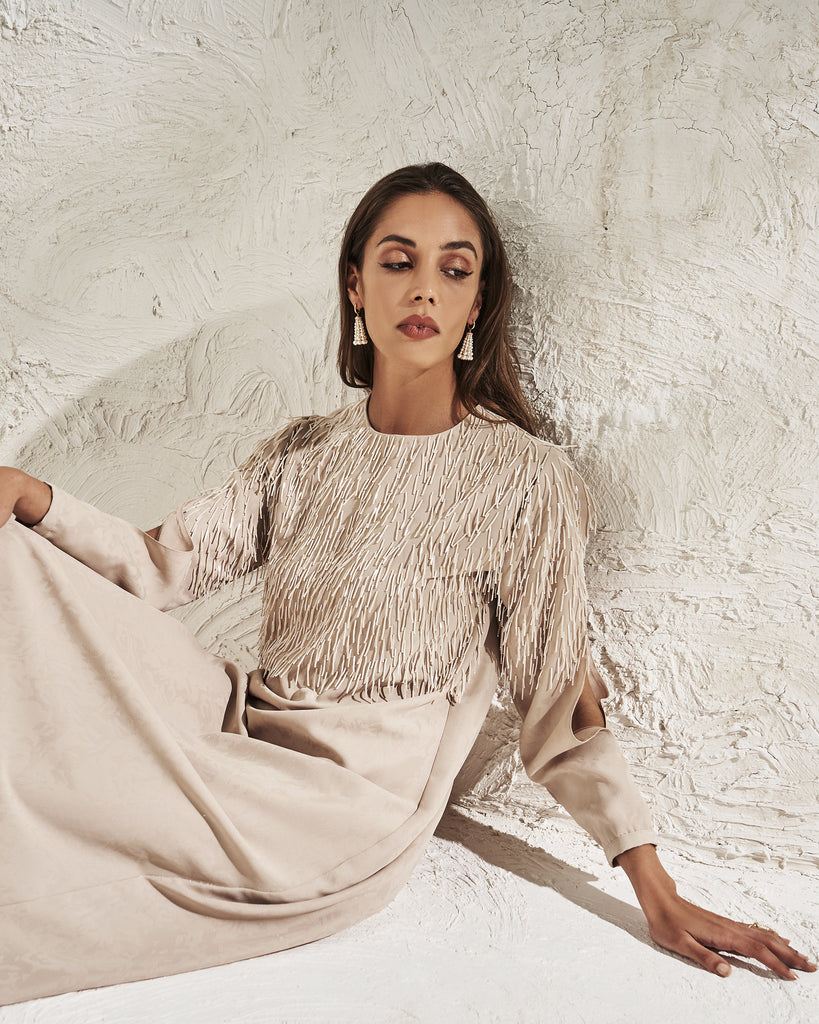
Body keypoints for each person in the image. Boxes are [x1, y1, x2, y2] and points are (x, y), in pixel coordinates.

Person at [0, 163, 814, 1005]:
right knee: (13, 559)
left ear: (476, 302)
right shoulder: (303, 451)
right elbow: (160, 566)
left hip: (338, 806)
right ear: (356, 286)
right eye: (398, 262)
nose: (424, 288)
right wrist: (31, 494)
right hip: (242, 726)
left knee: (50, 853)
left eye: (453, 270)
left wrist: (654, 886)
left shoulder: (524, 478)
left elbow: (559, 702)